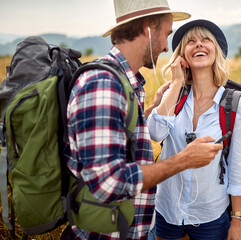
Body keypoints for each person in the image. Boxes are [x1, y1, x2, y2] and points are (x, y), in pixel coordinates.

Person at [63, 1, 224, 239]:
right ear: (149, 28)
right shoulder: (103, 85)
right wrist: (183, 160)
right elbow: (109, 182)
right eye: (167, 34)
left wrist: (149, 110)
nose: (168, 48)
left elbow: (122, 135)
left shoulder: (125, 81)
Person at [147, 19, 241, 240]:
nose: (199, 45)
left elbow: (237, 166)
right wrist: (176, 83)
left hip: (210, 212)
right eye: (191, 42)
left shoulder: (235, 104)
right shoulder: (174, 94)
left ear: (217, 50)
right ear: (182, 55)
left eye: (206, 40)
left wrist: (236, 223)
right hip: (166, 209)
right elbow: (155, 133)